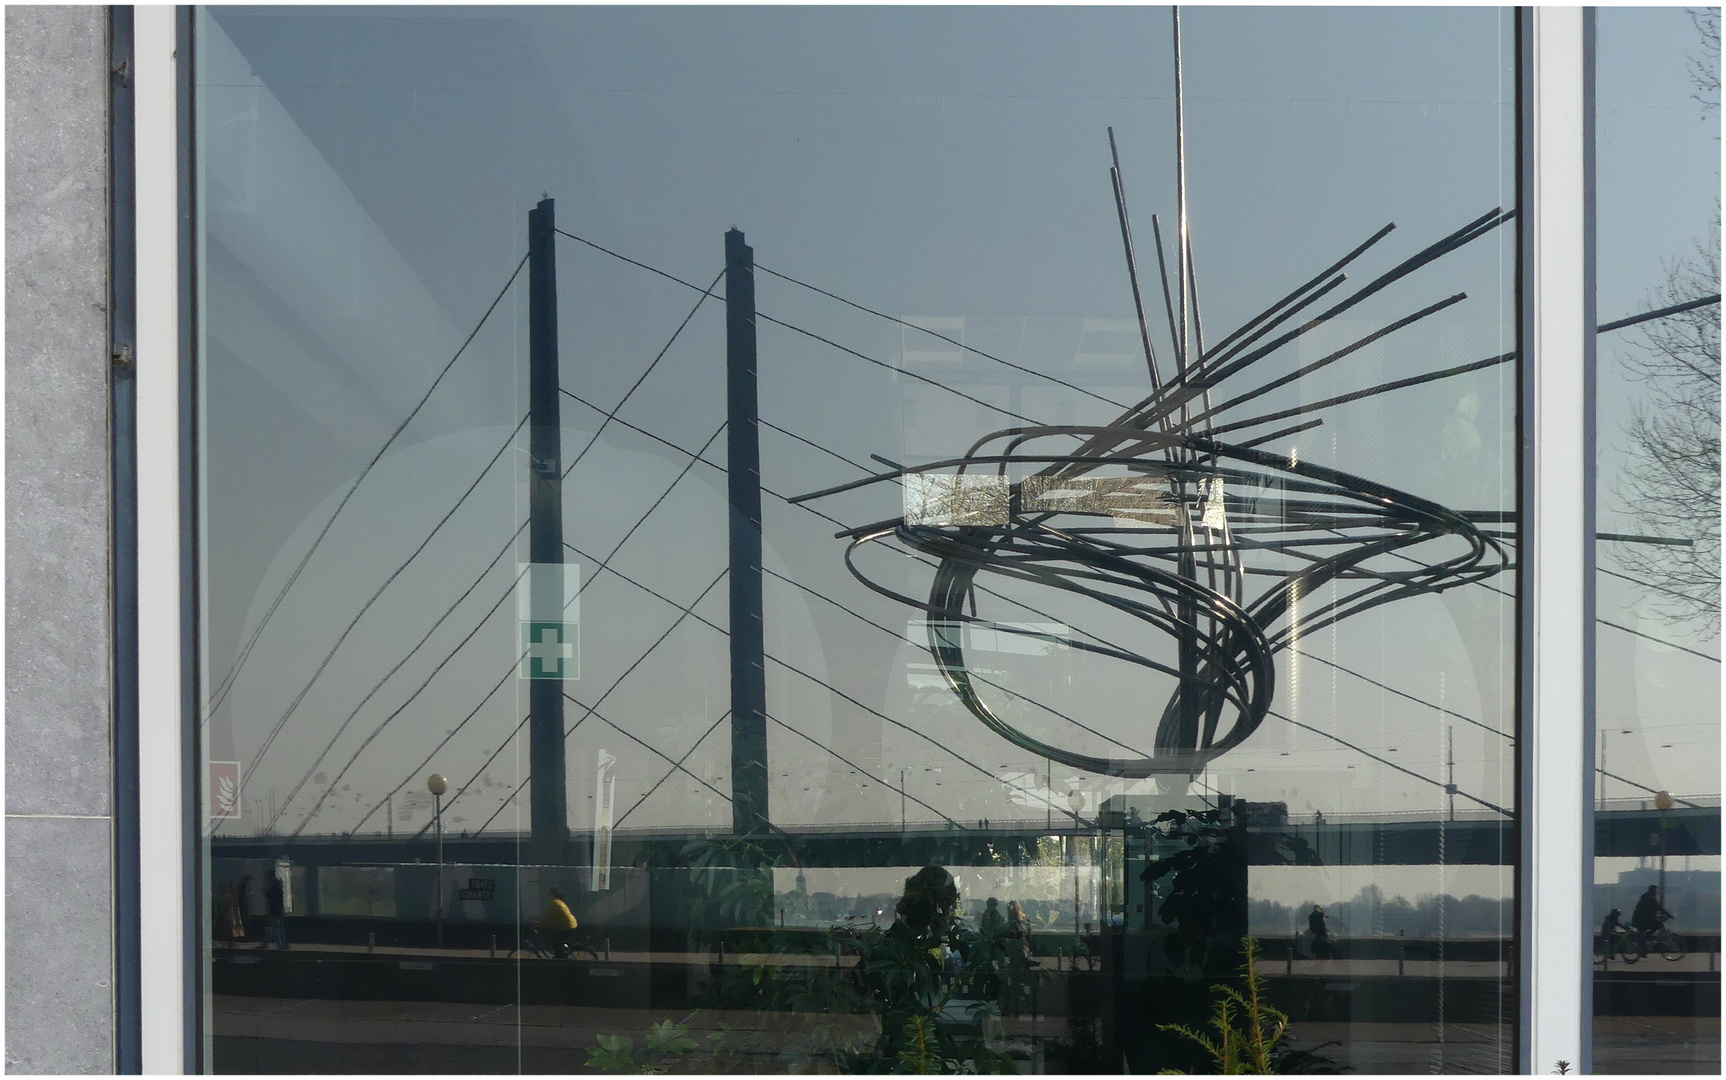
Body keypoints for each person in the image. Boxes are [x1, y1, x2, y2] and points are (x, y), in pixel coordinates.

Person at [542, 887, 579, 958]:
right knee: (558, 939)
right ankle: (561, 955)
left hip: (567, 926)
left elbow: (549, 915)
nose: (548, 895)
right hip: (570, 924)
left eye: (550, 893)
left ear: (553, 894)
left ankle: (560, 958)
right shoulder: (559, 901)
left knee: (557, 942)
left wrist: (539, 924)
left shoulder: (555, 902)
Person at [264, 870, 289, 950]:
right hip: (279, 910)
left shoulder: (274, 886)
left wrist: (267, 893)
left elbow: (273, 898)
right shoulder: (278, 885)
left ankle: (281, 945)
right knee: (280, 929)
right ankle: (284, 945)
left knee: (275, 929)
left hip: (274, 911)